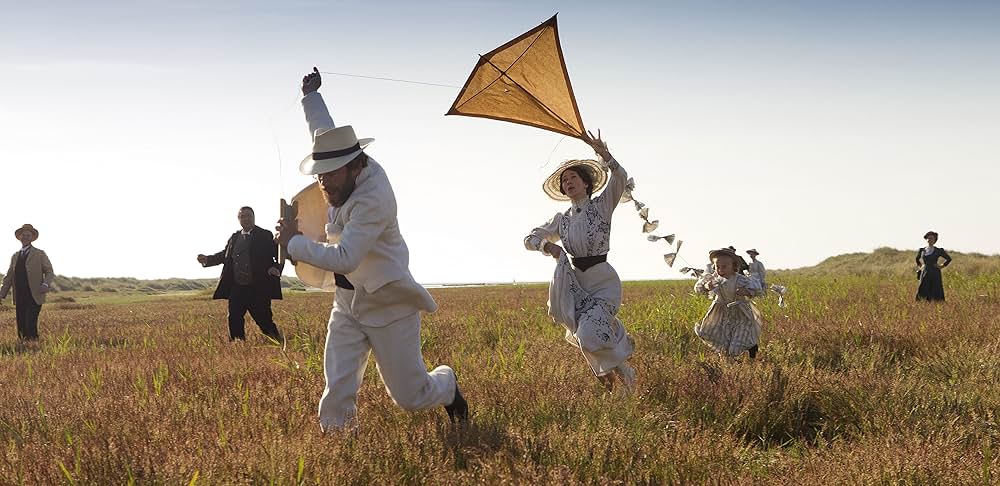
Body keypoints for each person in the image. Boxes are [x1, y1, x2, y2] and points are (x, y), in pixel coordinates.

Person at [274, 68, 467, 431]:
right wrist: (310, 96)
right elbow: (322, 130)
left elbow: (346, 257)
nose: (323, 182)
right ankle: (339, 445)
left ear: (355, 165)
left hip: (388, 304)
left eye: (330, 174)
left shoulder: (374, 198)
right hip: (347, 303)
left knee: (411, 397)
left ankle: (447, 385)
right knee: (338, 385)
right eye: (319, 173)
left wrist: (293, 243)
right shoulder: (338, 165)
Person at [524, 130, 637, 393]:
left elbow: (619, 177)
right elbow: (529, 238)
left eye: (573, 177)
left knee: (587, 334)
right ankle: (622, 374)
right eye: (565, 180)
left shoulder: (602, 206)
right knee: (584, 336)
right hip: (575, 286)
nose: (568, 182)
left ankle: (620, 356)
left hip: (603, 282)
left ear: (586, 183)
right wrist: (546, 245)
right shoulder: (561, 219)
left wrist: (603, 153)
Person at [197, 207, 284, 343]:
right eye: (242, 216)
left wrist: (276, 268)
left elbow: (279, 254)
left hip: (258, 287)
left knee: (264, 319)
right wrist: (207, 259)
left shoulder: (265, 235)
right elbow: (224, 256)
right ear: (239, 219)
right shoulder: (234, 237)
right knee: (234, 317)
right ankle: (238, 345)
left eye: (248, 216)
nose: (246, 219)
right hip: (237, 286)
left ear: (254, 217)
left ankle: (277, 341)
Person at [693, 248, 765, 359]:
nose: (720, 269)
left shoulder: (740, 279)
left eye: (724, 266)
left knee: (737, 342)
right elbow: (698, 288)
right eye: (717, 267)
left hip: (740, 313)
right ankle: (727, 362)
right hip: (719, 313)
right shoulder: (714, 279)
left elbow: (758, 290)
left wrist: (745, 291)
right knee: (719, 337)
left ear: (733, 266)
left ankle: (749, 348)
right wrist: (707, 286)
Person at [0, 224, 54, 340]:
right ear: (19, 237)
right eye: (23, 235)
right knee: (21, 324)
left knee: (30, 323)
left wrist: (45, 284)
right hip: (19, 295)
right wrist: (1, 293)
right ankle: (23, 347)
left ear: (32, 237)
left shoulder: (40, 254)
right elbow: (9, 276)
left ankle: (34, 346)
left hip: (34, 294)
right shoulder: (15, 256)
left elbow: (49, 271)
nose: (25, 237)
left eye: (28, 235)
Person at [915, 231, 952, 301]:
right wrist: (921, 266)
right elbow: (917, 259)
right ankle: (922, 303)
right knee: (923, 287)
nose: (929, 240)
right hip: (925, 271)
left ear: (935, 240)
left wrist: (941, 266)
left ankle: (936, 304)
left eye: (931, 238)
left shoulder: (938, 250)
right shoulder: (922, 250)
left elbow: (949, 259)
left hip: (935, 272)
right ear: (926, 239)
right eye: (928, 238)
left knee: (935, 288)